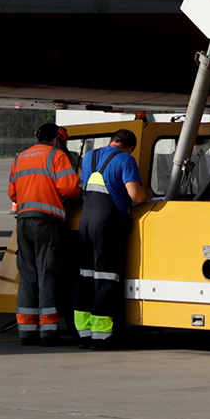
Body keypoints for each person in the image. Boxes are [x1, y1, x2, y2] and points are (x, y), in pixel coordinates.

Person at [8, 123, 81, 345]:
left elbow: (13, 193)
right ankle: (48, 331)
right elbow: (70, 189)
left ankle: (26, 331)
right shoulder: (56, 155)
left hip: (23, 221)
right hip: (47, 222)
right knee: (47, 273)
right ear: (57, 140)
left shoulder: (20, 157)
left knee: (28, 275)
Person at [77, 130, 147, 348]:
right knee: (106, 278)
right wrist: (148, 194)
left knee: (85, 276)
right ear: (130, 147)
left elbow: (83, 185)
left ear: (113, 140)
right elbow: (135, 194)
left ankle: (83, 333)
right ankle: (102, 335)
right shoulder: (126, 160)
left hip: (85, 221)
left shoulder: (90, 156)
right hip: (106, 224)